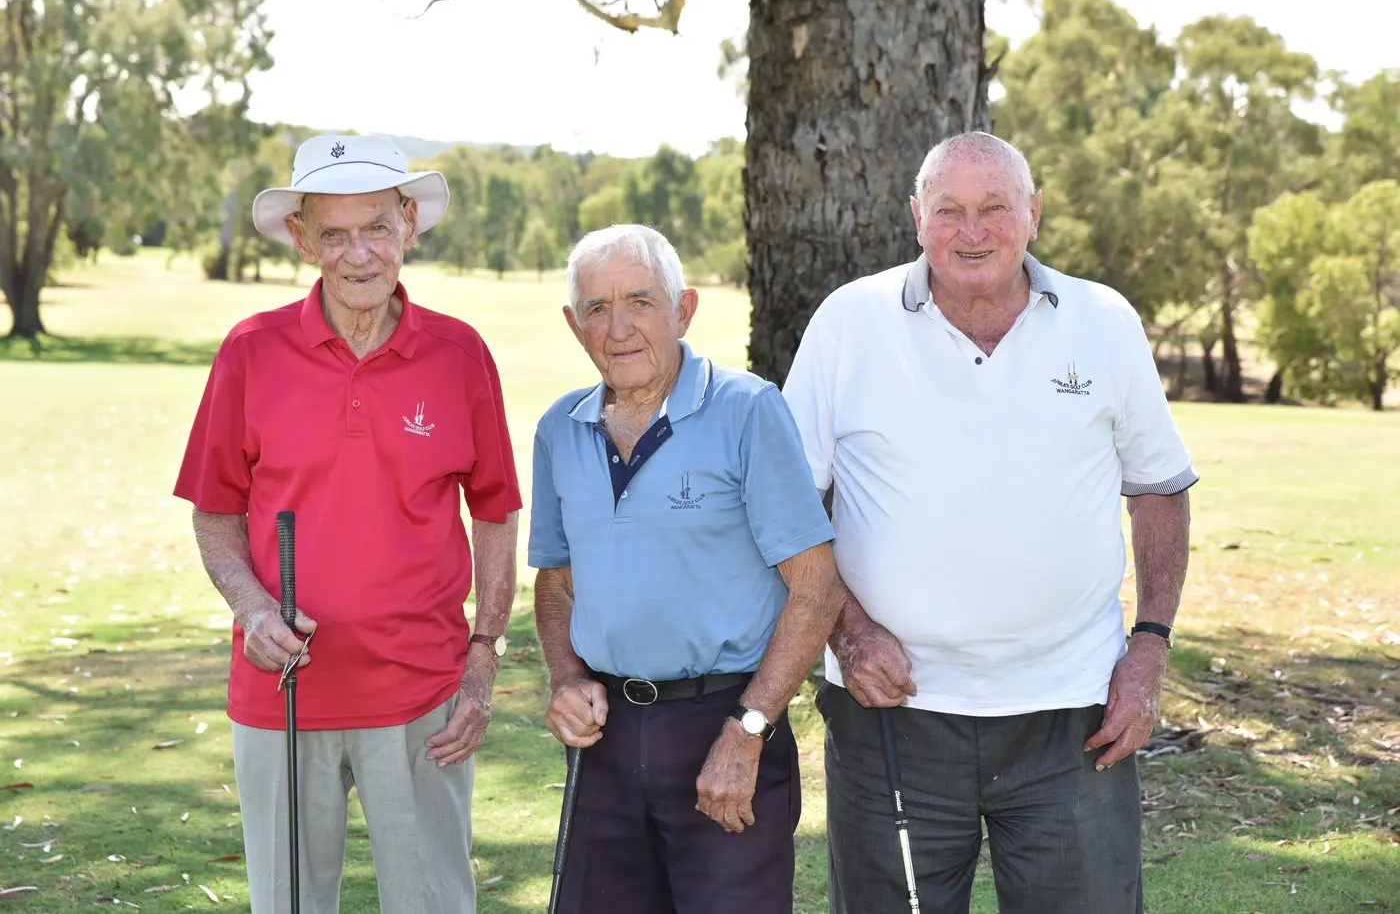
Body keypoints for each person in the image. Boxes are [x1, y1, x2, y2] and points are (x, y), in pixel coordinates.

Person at [781, 131, 1197, 914]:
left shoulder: (1103, 320)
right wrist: (848, 630)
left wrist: (1150, 646)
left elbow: (1159, 489)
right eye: (949, 211)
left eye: (994, 207)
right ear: (916, 218)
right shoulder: (849, 321)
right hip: (890, 715)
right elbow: (788, 507)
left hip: (1073, 711)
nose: (972, 231)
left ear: (1033, 213)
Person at [173, 134, 521, 914]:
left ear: (409, 223)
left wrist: (484, 656)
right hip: (282, 696)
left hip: (422, 696)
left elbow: (496, 512)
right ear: (301, 240)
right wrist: (252, 606)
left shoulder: (460, 354)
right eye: (332, 233)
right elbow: (216, 511)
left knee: (434, 904)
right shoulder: (250, 351)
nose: (357, 253)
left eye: (374, 227)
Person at [528, 224, 841, 914]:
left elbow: (816, 586)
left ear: (684, 309)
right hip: (606, 739)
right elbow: (556, 583)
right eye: (597, 309)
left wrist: (749, 727)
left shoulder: (747, 410)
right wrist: (566, 677)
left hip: (723, 725)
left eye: (640, 301)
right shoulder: (560, 429)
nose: (618, 328)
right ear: (574, 325)